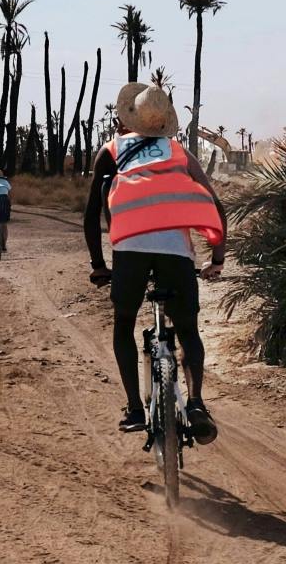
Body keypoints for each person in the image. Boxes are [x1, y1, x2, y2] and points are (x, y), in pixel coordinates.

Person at [86, 82, 226, 444]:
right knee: (188, 330)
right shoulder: (180, 153)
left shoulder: (112, 149)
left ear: (127, 118)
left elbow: (91, 213)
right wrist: (217, 260)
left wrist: (99, 265)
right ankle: (195, 403)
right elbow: (215, 206)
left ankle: (134, 407)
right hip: (176, 253)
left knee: (124, 324)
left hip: (129, 248)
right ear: (164, 122)